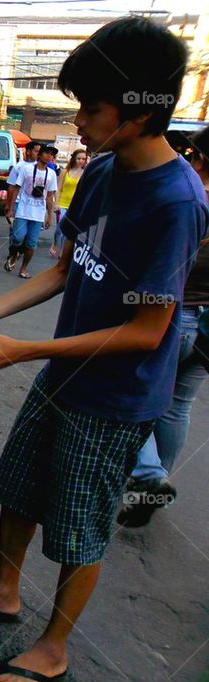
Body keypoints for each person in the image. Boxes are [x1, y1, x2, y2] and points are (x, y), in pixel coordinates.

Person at [0, 17, 209, 682]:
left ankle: (54, 647)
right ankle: (4, 590)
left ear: (140, 111)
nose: (77, 122)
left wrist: (24, 351)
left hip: (116, 398)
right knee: (19, 487)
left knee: (81, 524)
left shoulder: (178, 203)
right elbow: (65, 267)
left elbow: (150, 332)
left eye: (90, 108)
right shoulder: (105, 172)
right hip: (64, 374)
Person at [120, 124, 209, 527]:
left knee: (136, 396)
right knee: (177, 408)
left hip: (176, 317)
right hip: (207, 327)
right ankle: (152, 486)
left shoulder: (189, 197)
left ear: (199, 157)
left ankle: (150, 476)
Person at [4, 145, 57, 279]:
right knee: (18, 237)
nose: (49, 156)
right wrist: (10, 208)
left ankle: (23, 268)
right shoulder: (26, 169)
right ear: (40, 155)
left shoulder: (51, 174)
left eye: (52, 155)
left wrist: (49, 216)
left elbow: (50, 196)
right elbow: (16, 188)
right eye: (47, 153)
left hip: (38, 213)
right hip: (23, 210)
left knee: (31, 243)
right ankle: (14, 253)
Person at [49, 148, 87, 257]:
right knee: (60, 228)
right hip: (62, 204)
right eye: (79, 158)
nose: (81, 161)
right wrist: (56, 203)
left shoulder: (85, 174)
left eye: (83, 159)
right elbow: (59, 188)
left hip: (75, 206)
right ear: (74, 159)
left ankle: (63, 252)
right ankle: (55, 244)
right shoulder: (65, 172)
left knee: (69, 230)